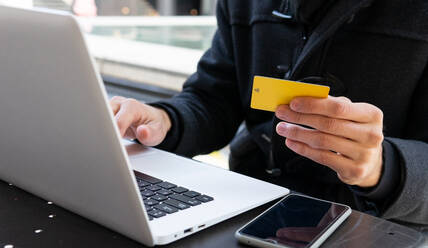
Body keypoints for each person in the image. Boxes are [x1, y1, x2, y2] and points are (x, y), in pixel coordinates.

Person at [109, 0, 428, 226]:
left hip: (370, 226)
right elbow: (214, 98)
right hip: (247, 205)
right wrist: (165, 120)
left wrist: (384, 168)